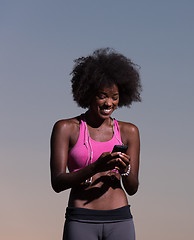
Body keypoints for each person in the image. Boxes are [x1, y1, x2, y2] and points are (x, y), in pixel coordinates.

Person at [50, 48, 142, 240]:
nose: (109, 103)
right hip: (81, 220)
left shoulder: (129, 131)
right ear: (88, 93)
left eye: (114, 97)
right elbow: (57, 182)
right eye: (102, 96)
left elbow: (133, 188)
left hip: (120, 219)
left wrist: (125, 170)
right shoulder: (66, 128)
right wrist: (95, 168)